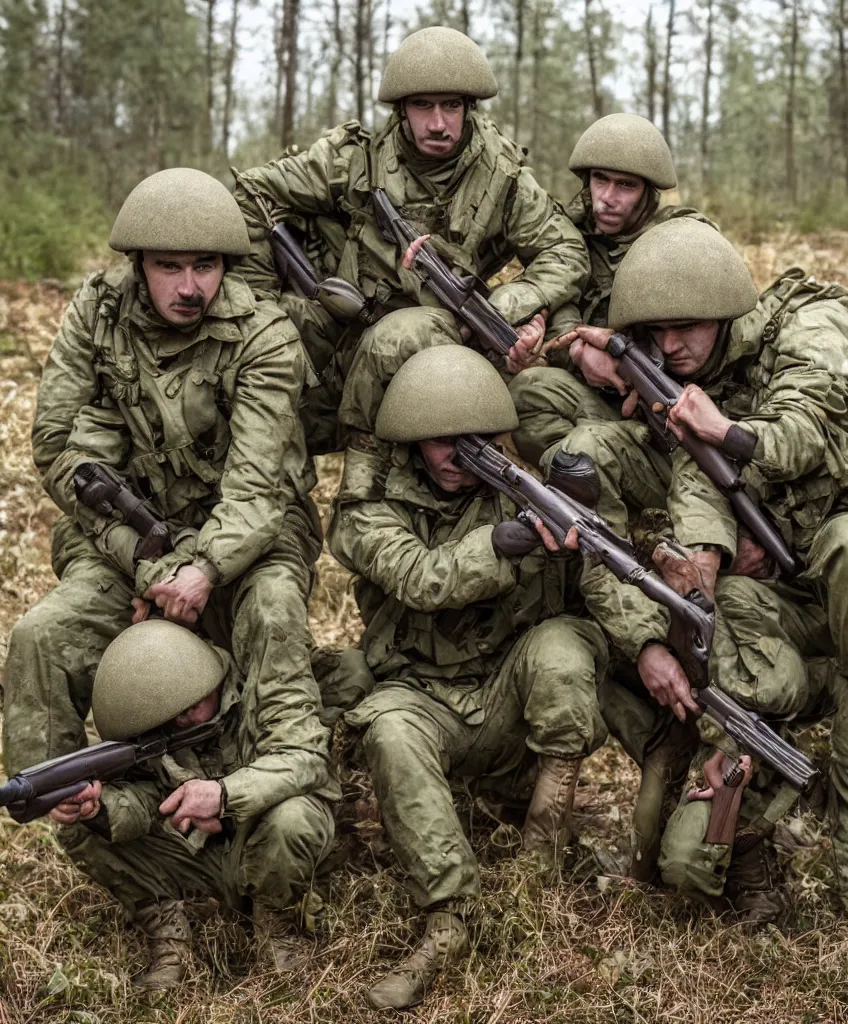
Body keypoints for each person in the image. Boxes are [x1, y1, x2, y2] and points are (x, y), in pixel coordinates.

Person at [566, 216, 848, 1019]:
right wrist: (697, 570)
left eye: (686, 327)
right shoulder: (686, 384)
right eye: (656, 333)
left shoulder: (810, 324)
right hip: (801, 581)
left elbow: (797, 432)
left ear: (725, 308)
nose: (672, 346)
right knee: (716, 621)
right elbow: (697, 488)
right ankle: (789, 754)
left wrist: (726, 430)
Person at [326, 345, 690, 1010]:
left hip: (509, 701)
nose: (456, 456)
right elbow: (418, 577)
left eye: (474, 440)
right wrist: (504, 544)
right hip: (421, 694)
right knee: (388, 729)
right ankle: (449, 916)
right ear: (410, 440)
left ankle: (538, 869)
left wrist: (644, 638)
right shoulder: (368, 509)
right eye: (440, 442)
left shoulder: (521, 489)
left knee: (562, 644)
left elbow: (604, 584)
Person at [2, 169, 328, 820]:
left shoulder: (265, 335)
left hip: (247, 540)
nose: (189, 286)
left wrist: (203, 570)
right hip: (128, 541)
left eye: (205, 266)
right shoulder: (96, 313)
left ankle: (274, 797)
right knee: (43, 636)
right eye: (169, 266)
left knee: (272, 610)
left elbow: (258, 489)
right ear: (137, 264)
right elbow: (55, 444)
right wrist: (149, 561)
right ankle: (93, 827)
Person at [233, 25, 588, 455]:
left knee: (410, 341)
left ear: (469, 108)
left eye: (451, 106)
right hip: (338, 324)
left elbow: (566, 250)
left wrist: (509, 303)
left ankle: (373, 476)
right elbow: (252, 192)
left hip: (442, 340)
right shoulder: (356, 159)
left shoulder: (502, 177)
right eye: (422, 106)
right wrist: (260, 305)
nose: (437, 123)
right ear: (402, 109)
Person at [51, 619, 336, 988]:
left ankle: (277, 925)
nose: (181, 724)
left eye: (187, 712)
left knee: (292, 817)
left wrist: (223, 796)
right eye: (171, 720)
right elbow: (152, 799)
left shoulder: (264, 688)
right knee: (79, 827)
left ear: (206, 683)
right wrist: (100, 809)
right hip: (204, 859)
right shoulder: (161, 721)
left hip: (271, 849)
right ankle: (169, 937)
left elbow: (307, 760)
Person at [509, 114, 714, 525]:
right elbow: (560, 303)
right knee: (528, 393)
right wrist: (581, 350)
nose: (607, 197)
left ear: (647, 192)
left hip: (679, 413)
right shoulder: (570, 234)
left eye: (626, 185)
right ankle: (597, 487)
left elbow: (699, 338)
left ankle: (655, 498)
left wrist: (625, 355)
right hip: (609, 405)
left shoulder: (681, 240)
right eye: (600, 179)